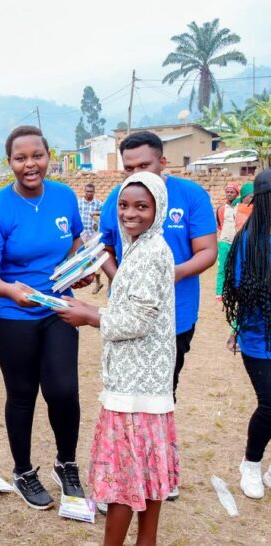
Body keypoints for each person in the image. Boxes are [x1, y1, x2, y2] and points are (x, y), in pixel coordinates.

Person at [58, 171, 178, 546]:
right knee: (149, 470)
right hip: (148, 386)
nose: (130, 214)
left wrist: (90, 316)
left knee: (124, 480)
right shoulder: (144, 247)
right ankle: (147, 540)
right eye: (124, 205)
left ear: (158, 210)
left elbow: (139, 319)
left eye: (142, 207)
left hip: (133, 388)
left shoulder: (150, 253)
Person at [0, 126, 87, 510]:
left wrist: (78, 267)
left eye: (37, 155)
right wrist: (10, 290)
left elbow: (75, 240)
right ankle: (23, 471)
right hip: (11, 314)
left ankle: (66, 463)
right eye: (20, 158)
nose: (30, 164)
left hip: (58, 308)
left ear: (48, 156)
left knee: (63, 390)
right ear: (10, 163)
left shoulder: (64, 196)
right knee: (22, 394)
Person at [99, 131, 217, 400]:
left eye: (144, 165)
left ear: (162, 162)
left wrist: (170, 275)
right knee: (122, 389)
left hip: (175, 314)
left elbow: (207, 251)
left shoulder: (191, 195)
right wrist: (121, 279)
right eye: (129, 168)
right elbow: (105, 249)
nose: (135, 173)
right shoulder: (116, 199)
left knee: (161, 391)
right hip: (125, 313)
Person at [223, 169, 271, 500]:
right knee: (269, 404)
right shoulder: (249, 241)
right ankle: (251, 463)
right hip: (259, 338)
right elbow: (243, 290)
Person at [215, 182, 240, 301]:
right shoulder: (221, 209)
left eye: (232, 192)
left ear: (237, 194)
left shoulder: (240, 208)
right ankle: (219, 292)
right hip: (224, 242)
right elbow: (220, 225)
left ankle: (235, 290)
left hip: (237, 243)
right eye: (227, 192)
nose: (229, 194)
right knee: (222, 268)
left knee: (237, 267)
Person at [77, 182, 104, 294]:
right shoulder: (79, 203)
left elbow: (105, 214)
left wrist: (97, 219)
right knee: (81, 256)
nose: (89, 193)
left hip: (94, 234)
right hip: (82, 234)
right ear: (84, 191)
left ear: (94, 192)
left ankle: (98, 282)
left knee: (96, 256)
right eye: (87, 191)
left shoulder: (98, 203)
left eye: (91, 192)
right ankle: (81, 279)